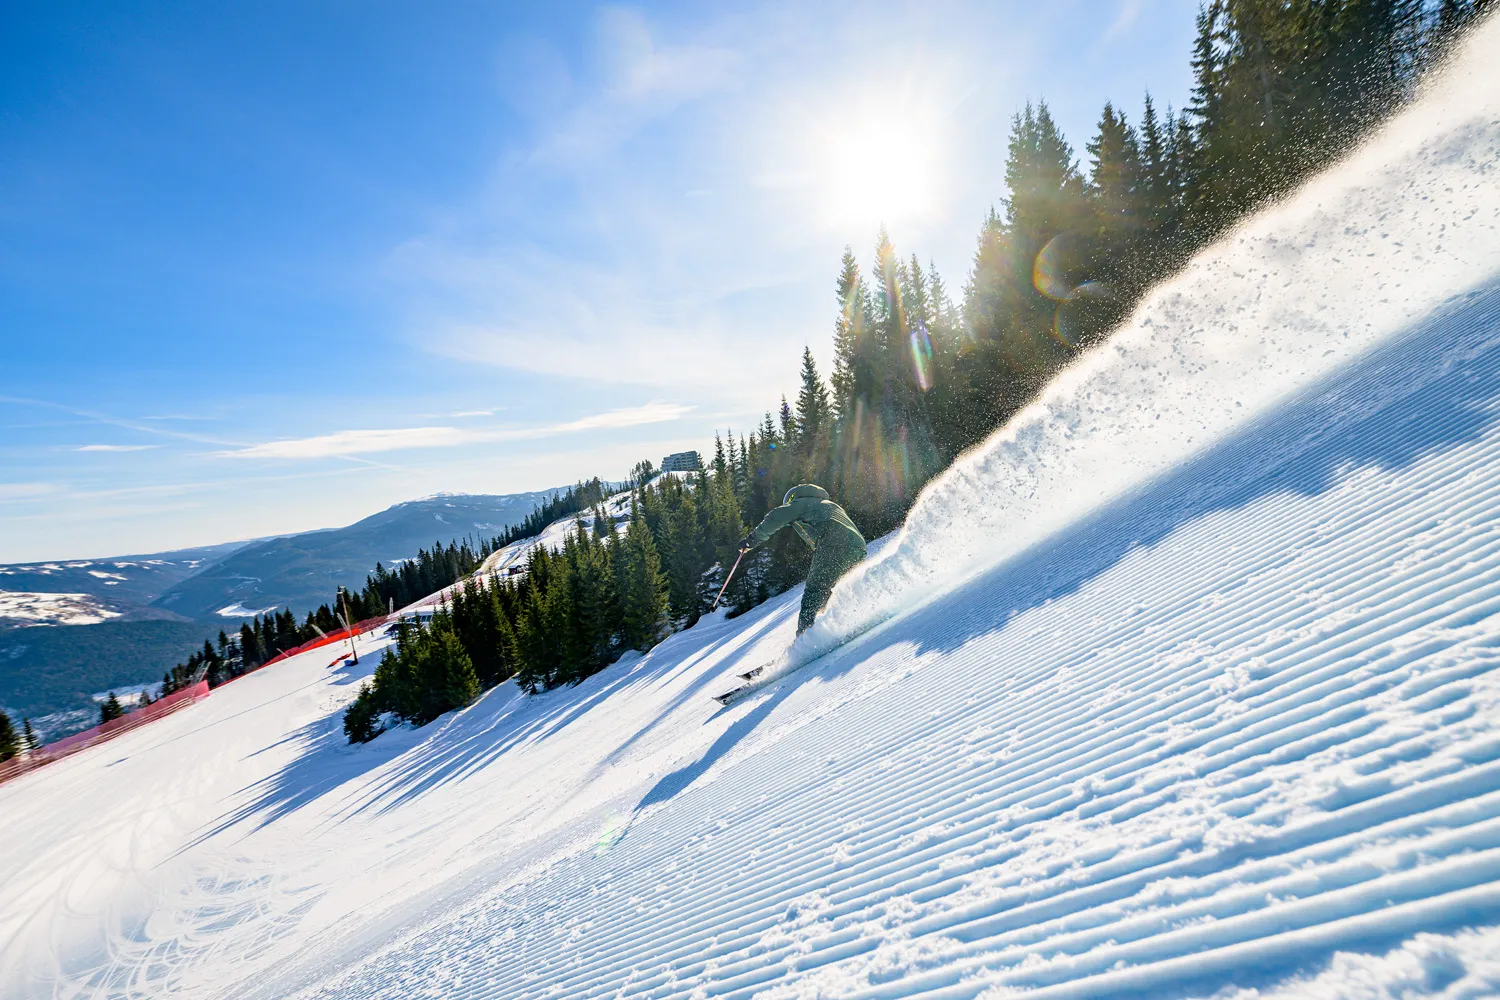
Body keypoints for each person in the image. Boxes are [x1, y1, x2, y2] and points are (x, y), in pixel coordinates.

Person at [740, 483, 867, 634]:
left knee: (815, 589)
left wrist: (751, 541)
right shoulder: (827, 504)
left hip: (833, 545)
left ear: (792, 498)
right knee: (840, 585)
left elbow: (775, 517)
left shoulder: (800, 503)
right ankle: (850, 619)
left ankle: (806, 636)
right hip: (858, 547)